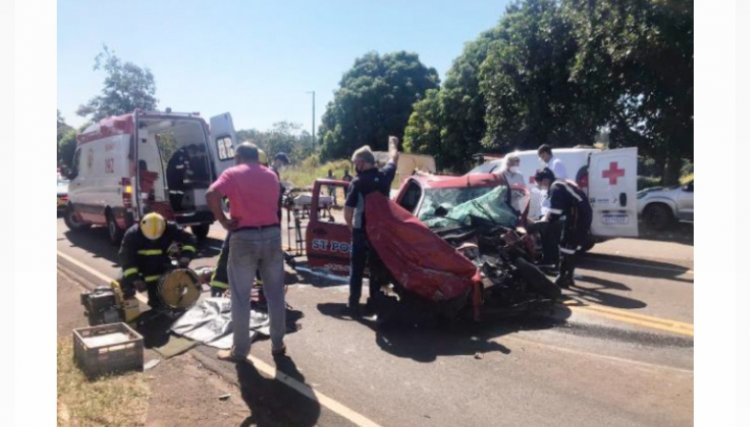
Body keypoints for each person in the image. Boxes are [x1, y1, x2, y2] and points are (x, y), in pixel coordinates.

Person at [206, 142, 286, 362]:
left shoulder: (232, 173)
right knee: (275, 294)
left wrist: (223, 220)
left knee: (241, 296)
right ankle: (278, 344)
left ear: (239, 157)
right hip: (271, 235)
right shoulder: (271, 175)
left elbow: (211, 194)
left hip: (244, 237)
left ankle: (240, 351)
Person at [344, 137, 399, 317]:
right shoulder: (385, 176)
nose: (354, 166)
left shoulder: (357, 182)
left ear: (361, 163)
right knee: (376, 269)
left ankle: (353, 306)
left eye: (355, 163)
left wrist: (351, 228)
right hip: (380, 234)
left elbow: (348, 211)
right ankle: (375, 303)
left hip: (361, 232)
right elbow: (394, 157)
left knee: (357, 271)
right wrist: (392, 143)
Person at [118, 212, 197, 308]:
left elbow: (190, 239)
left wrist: (186, 255)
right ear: (141, 227)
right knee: (126, 286)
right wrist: (135, 279)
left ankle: (162, 304)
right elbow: (126, 259)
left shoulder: (171, 228)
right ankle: (127, 307)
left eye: (156, 239)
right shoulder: (132, 235)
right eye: (150, 239)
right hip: (140, 267)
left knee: (161, 299)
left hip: (162, 264)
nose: (153, 241)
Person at [533, 168, 592, 288]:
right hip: (579, 216)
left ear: (545, 180)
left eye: (539, 183)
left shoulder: (556, 187)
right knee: (568, 246)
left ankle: (563, 277)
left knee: (567, 247)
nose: (540, 186)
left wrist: (544, 221)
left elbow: (556, 211)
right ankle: (568, 277)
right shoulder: (560, 184)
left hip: (577, 217)